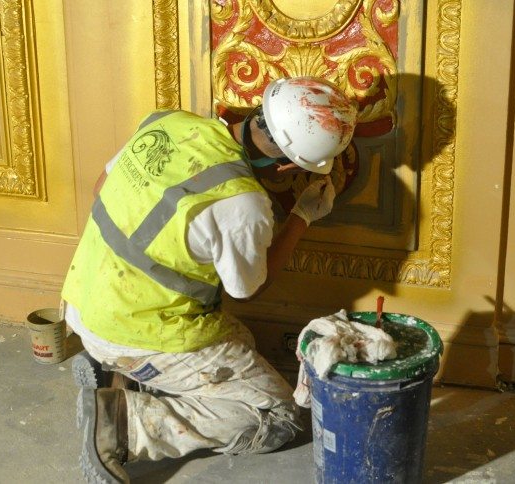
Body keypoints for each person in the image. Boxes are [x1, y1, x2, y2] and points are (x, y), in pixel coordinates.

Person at [60, 76, 358, 483]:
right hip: (134, 327)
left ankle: (117, 372)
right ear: (288, 166)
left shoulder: (167, 121)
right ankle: (126, 422)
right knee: (278, 415)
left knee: (238, 340)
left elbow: (100, 188)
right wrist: (302, 217)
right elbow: (249, 288)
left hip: (83, 301)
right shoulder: (244, 204)